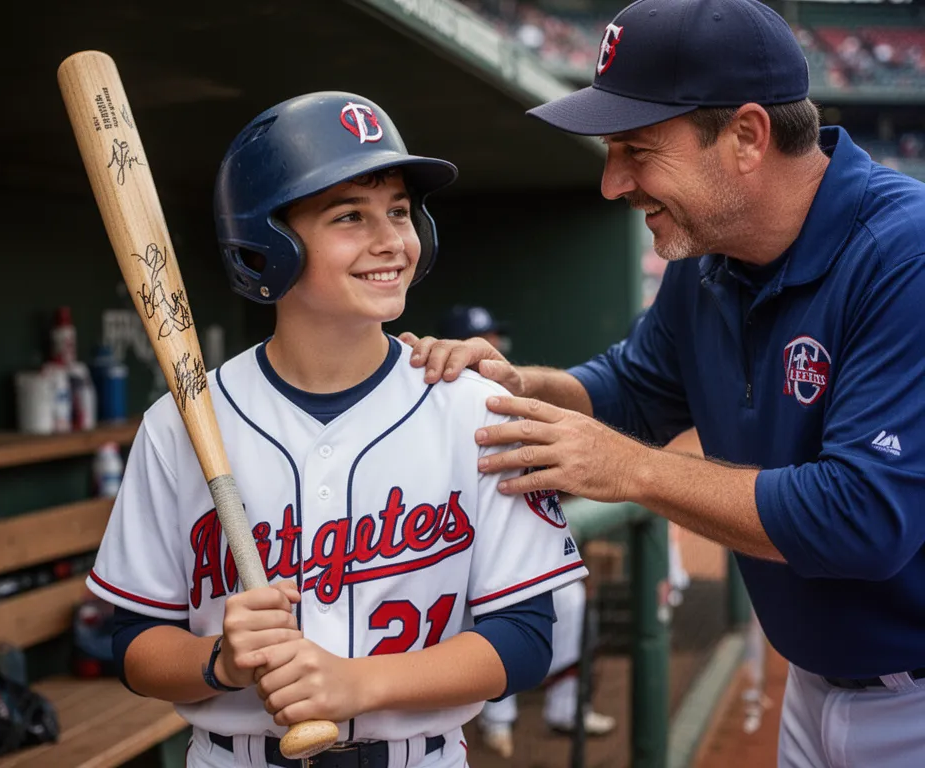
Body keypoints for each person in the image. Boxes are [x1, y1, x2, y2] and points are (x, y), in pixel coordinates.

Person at [401, 1, 925, 766]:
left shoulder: (903, 253)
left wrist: (630, 470)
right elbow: (635, 391)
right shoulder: (709, 257)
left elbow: (864, 518)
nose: (614, 182)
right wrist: (521, 385)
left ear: (747, 136)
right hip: (815, 688)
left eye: (636, 149)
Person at [85, 92, 587, 768]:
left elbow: (525, 640)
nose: (390, 241)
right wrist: (220, 662)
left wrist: (357, 683)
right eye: (349, 215)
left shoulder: (473, 408)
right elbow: (136, 645)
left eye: (400, 212)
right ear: (269, 243)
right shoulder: (181, 422)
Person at [438, 306, 616, 758]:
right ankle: (496, 720)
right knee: (482, 619)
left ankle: (563, 706)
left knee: (566, 600)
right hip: (453, 536)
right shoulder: (434, 399)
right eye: (484, 337)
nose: (494, 345)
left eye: (496, 336)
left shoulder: (510, 391)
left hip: (514, 517)